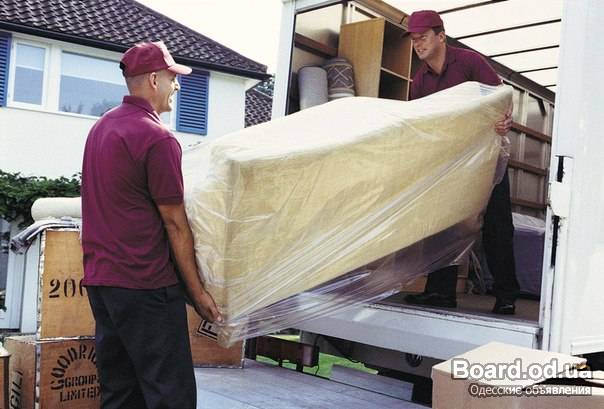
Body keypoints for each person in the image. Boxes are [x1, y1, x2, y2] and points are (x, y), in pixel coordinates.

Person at [81, 41, 222, 409]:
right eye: (173, 78)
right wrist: (198, 294)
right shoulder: (157, 138)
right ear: (155, 80)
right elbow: (175, 224)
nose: (178, 85)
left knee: (120, 393)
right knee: (170, 396)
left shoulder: (101, 128)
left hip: (103, 284)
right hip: (146, 285)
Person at [402, 10, 520, 315]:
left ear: (441, 36)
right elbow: (420, 123)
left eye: (422, 37)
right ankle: (440, 293)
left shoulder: (469, 62)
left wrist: (505, 120)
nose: (417, 44)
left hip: (486, 158)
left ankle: (506, 295)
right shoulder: (420, 80)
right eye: (413, 39)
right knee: (444, 225)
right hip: (450, 163)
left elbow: (500, 97)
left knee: (496, 224)